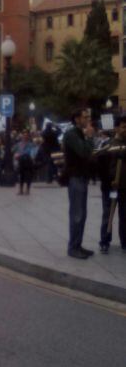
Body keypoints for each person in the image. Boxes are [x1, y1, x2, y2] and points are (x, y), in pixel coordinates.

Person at [64, 108, 95, 259]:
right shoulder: (71, 134)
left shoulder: (79, 134)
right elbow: (83, 152)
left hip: (82, 177)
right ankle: (73, 247)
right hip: (75, 178)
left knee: (82, 214)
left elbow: (88, 154)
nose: (87, 120)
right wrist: (89, 138)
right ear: (77, 119)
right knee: (77, 214)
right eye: (85, 117)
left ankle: (78, 245)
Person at [98, 116, 126, 254]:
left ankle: (125, 242)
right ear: (116, 128)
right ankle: (104, 241)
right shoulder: (108, 145)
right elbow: (101, 167)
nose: (125, 130)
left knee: (125, 216)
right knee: (108, 215)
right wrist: (109, 181)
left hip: (125, 188)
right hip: (111, 187)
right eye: (123, 127)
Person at [14, 129, 37, 195]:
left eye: (26, 135)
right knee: (21, 176)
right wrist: (16, 154)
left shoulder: (31, 144)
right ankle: (20, 190)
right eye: (24, 135)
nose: (25, 137)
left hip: (28, 162)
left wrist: (21, 154)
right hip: (21, 161)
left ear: (28, 136)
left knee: (28, 176)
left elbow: (32, 153)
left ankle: (27, 190)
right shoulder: (19, 144)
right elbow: (14, 151)